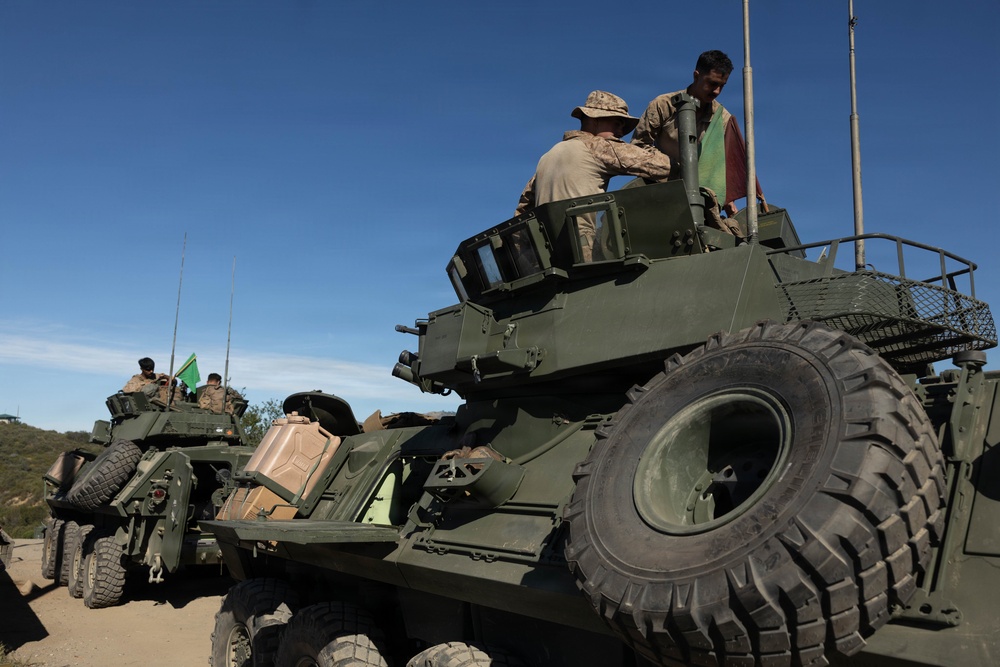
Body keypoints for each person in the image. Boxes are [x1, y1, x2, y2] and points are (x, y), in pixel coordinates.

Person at [516, 90, 673, 261]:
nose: (621, 132)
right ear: (594, 120)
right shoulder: (597, 146)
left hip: (548, 255)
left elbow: (523, 211)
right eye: (617, 123)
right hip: (583, 251)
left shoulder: (548, 156)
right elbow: (662, 167)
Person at [632, 50, 765, 217]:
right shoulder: (664, 105)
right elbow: (638, 149)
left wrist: (726, 199)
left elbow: (722, 166)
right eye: (712, 83)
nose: (716, 91)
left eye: (722, 86)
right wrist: (676, 170)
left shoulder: (722, 119)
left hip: (700, 199)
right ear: (696, 76)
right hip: (658, 191)